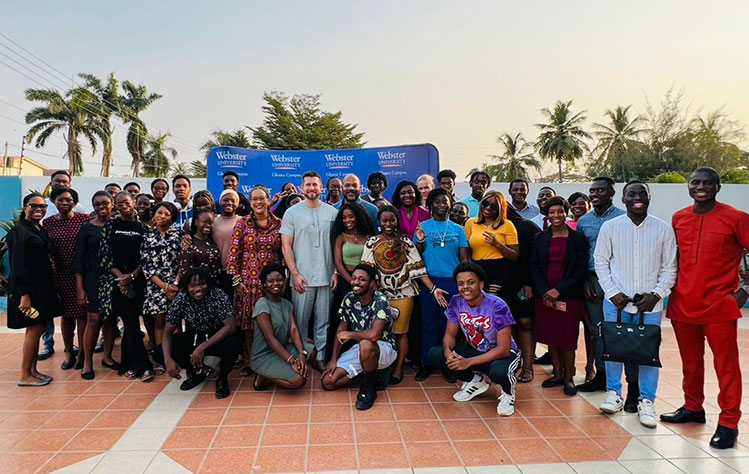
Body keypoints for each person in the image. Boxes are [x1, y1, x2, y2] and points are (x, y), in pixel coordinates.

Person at [660, 168, 749, 449]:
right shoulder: (679, 218)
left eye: (707, 183)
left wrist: (744, 290)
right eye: (695, 183)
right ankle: (693, 408)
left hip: (719, 305)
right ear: (688, 186)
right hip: (682, 304)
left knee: (727, 367)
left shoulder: (736, 218)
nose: (701, 187)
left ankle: (729, 422)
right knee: (690, 363)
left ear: (718, 187)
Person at [595, 181, 677, 428]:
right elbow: (601, 261)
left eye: (643, 194)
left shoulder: (663, 229)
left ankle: (647, 400)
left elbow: (670, 267)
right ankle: (614, 393)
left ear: (650, 198)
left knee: (648, 353)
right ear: (623, 199)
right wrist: (612, 292)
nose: (637, 198)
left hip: (650, 305)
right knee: (613, 349)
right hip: (616, 303)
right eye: (632, 194)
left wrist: (658, 294)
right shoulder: (610, 227)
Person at [360, 205, 448, 384]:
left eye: (391, 220)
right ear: (379, 222)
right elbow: (366, 270)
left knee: (401, 332)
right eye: (384, 220)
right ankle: (379, 367)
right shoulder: (371, 242)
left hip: (404, 295)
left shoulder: (406, 242)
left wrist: (433, 289)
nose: (388, 224)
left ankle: (398, 369)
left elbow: (418, 269)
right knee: (378, 333)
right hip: (379, 295)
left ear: (397, 221)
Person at [428, 262, 521, 416]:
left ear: (481, 284)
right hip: (477, 351)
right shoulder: (456, 301)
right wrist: (447, 353)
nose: (466, 287)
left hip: (504, 354)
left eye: (471, 282)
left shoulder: (498, 305)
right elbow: (449, 335)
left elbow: (503, 349)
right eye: (461, 283)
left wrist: (468, 362)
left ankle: (508, 393)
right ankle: (476, 381)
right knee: (436, 354)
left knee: (498, 371)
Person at [575, 178, 633, 401]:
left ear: (612, 192)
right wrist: (584, 281)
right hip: (592, 282)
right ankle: (601, 375)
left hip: (619, 284)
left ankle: (628, 382)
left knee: (622, 331)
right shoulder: (584, 221)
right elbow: (581, 254)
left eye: (600, 190)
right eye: (592, 190)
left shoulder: (623, 217)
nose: (595, 193)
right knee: (597, 331)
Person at [280, 171, 339, 372]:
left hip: (326, 277)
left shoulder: (332, 213)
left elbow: (337, 245)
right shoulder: (292, 213)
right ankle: (303, 355)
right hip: (301, 278)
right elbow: (286, 246)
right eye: (308, 185)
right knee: (301, 322)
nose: (312, 188)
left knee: (323, 322)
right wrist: (294, 273)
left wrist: (336, 272)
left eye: (315, 184)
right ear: (302, 188)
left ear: (321, 188)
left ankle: (320, 357)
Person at [531, 196, 589, 397]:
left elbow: (580, 269)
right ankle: (556, 374)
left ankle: (568, 378)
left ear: (566, 213)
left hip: (569, 295)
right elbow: (535, 268)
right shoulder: (539, 238)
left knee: (567, 338)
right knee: (551, 336)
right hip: (544, 295)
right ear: (547, 215)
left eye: (560, 211)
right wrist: (545, 292)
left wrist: (559, 291)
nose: (556, 215)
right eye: (552, 212)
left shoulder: (577, 239)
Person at [322, 264, 398, 410]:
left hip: (384, 349)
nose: (356, 283)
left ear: (371, 284)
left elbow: (374, 335)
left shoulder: (380, 300)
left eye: (362, 280)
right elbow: (341, 331)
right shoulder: (349, 298)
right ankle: (369, 372)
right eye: (354, 278)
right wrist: (333, 360)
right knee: (328, 382)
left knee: (366, 343)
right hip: (361, 348)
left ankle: (370, 388)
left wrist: (350, 334)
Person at [7, 193, 63, 386]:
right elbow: (18, 265)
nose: (39, 209)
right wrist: (24, 295)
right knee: (35, 327)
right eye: (34, 206)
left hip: (41, 287)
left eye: (42, 206)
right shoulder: (19, 231)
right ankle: (25, 374)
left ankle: (32, 371)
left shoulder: (37, 228)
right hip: (28, 291)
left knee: (38, 327)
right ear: (25, 208)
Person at [413, 188, 468, 381]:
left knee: (449, 325)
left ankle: (448, 364)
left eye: (444, 202)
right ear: (430, 205)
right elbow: (416, 257)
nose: (441, 205)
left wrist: (464, 285)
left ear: (450, 204)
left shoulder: (458, 229)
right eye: (437, 202)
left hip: (453, 282)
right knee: (429, 323)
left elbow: (464, 259)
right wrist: (419, 241)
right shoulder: (423, 227)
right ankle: (427, 363)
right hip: (429, 282)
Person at [227, 185, 283, 374]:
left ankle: (271, 357)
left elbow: (284, 253)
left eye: (262, 198)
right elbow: (234, 254)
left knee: (272, 322)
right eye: (254, 199)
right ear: (250, 202)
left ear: (268, 200)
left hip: (273, 284)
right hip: (248, 284)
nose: (258, 202)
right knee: (250, 324)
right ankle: (253, 360)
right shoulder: (243, 223)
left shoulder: (279, 224)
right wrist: (237, 281)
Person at [163, 267, 241, 399]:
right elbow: (167, 332)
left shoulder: (218, 295)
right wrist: (167, 360)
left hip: (216, 337)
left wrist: (202, 347)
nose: (198, 289)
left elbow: (230, 326)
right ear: (186, 287)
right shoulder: (181, 299)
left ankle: (222, 378)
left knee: (234, 343)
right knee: (160, 352)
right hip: (193, 337)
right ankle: (195, 372)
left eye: (202, 284)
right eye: (193, 286)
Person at [99, 191, 154, 381]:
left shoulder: (143, 228)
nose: (123, 206)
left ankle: (126, 366)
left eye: (126, 202)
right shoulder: (110, 226)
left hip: (138, 282)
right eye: (119, 203)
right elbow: (104, 256)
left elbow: (146, 256)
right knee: (130, 322)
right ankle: (144, 366)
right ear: (115, 205)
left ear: (134, 203)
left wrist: (132, 276)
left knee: (131, 324)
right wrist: (121, 277)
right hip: (117, 282)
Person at [42, 187, 91, 370]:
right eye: (60, 200)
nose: (64, 203)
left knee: (82, 314)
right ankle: (69, 352)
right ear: (54, 201)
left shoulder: (84, 220)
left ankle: (83, 354)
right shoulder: (48, 224)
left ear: (75, 202)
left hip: (83, 273)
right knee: (67, 316)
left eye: (68, 200)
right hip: (60, 274)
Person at [74, 191, 119, 380]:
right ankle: (87, 362)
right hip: (93, 279)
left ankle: (107, 357)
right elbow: (79, 260)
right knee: (93, 320)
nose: (100, 207)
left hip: (113, 279)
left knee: (110, 320)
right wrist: (80, 288)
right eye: (96, 204)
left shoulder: (118, 226)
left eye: (104, 203)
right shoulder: (86, 229)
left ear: (112, 204)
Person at [251, 264, 316, 390]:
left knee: (312, 351)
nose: (276, 284)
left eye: (279, 280)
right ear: (264, 283)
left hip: (283, 348)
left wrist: (302, 354)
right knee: (298, 381)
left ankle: (279, 367)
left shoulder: (286, 304)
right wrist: (292, 360)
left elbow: (294, 329)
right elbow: (270, 339)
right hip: (264, 355)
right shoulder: (262, 304)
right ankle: (262, 375)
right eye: (270, 281)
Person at [329, 202, 375, 360]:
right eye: (344, 217)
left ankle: (361, 356)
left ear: (358, 217)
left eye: (351, 216)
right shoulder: (341, 237)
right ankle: (337, 356)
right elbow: (338, 263)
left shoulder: (368, 237)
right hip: (345, 282)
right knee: (342, 319)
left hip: (365, 283)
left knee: (363, 319)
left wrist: (364, 283)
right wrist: (352, 282)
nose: (347, 220)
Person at [505, 206, 541, 383]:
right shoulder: (491, 227)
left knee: (525, 322)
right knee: (508, 323)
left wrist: (530, 282)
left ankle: (528, 366)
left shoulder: (525, 226)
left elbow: (536, 255)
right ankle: (516, 362)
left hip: (524, 284)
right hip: (503, 284)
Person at [141, 201, 183, 352]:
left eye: (167, 214)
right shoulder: (147, 237)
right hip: (156, 287)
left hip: (176, 287)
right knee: (159, 324)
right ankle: (161, 358)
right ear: (154, 214)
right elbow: (146, 265)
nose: (162, 216)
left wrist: (175, 284)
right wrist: (164, 287)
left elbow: (184, 261)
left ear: (172, 217)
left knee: (175, 324)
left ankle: (177, 356)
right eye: (160, 212)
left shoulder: (180, 235)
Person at [464, 191, 519, 301]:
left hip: (498, 269)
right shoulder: (471, 223)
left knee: (495, 304)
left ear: (500, 208)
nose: (488, 208)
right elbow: (466, 250)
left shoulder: (507, 225)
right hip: (477, 268)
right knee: (477, 304)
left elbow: (515, 256)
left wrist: (498, 244)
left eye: (493, 206)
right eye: (485, 203)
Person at [179, 209, 221, 284]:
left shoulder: (212, 242)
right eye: (205, 222)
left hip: (213, 285)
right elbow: (185, 271)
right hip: (196, 287)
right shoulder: (189, 242)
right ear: (196, 222)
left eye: (211, 223)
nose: (208, 225)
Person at [212, 189, 242, 297]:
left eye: (233, 200)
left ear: (237, 204)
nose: (229, 203)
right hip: (217, 270)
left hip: (237, 271)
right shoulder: (213, 221)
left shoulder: (243, 221)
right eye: (226, 200)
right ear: (220, 202)